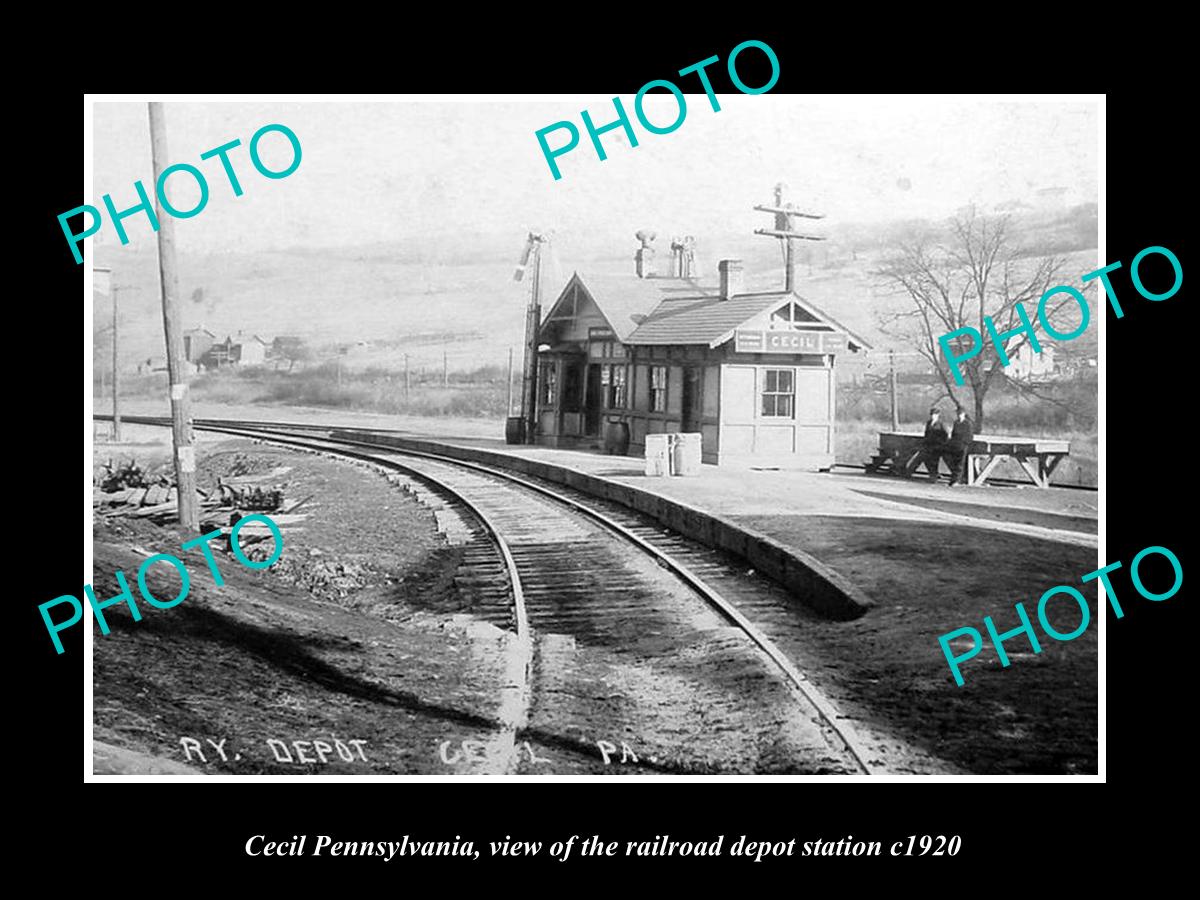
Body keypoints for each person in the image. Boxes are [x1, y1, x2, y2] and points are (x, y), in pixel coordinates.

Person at [916, 406, 949, 481]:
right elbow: (926, 433)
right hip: (928, 445)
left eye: (934, 414)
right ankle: (933, 474)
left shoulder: (941, 424)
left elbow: (946, 434)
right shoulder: (929, 423)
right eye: (931, 414)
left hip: (937, 446)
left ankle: (933, 477)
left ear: (938, 415)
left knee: (934, 461)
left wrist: (941, 443)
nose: (932, 416)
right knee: (926, 460)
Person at [946, 406, 975, 486]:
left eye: (960, 413)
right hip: (955, 446)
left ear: (964, 414)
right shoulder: (956, 423)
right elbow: (953, 434)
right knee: (954, 463)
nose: (959, 415)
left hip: (963, 446)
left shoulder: (968, 423)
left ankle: (956, 481)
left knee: (960, 464)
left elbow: (970, 436)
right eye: (958, 413)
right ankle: (955, 479)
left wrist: (964, 444)